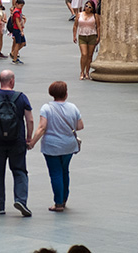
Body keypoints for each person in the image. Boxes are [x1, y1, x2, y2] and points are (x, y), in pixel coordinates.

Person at [0, 70, 33, 217]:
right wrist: (29, 138)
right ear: (12, 81)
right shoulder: (21, 98)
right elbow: (30, 120)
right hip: (17, 141)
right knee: (20, 171)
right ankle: (21, 200)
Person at [28, 81, 84, 212]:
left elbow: (42, 128)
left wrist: (32, 142)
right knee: (65, 171)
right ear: (66, 94)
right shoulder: (73, 107)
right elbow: (80, 126)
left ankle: (58, 203)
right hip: (68, 145)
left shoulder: (46, 108)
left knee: (55, 173)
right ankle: (64, 199)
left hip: (51, 146)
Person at [73, 0, 101, 80]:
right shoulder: (79, 15)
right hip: (82, 36)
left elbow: (98, 27)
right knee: (84, 54)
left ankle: (87, 72)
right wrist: (74, 35)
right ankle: (82, 71)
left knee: (89, 55)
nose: (87, 8)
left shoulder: (95, 16)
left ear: (92, 9)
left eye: (89, 7)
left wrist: (98, 37)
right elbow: (75, 26)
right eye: (86, 6)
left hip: (92, 36)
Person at [9, 0, 27, 65]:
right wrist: (21, 30)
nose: (22, 7)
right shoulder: (16, 12)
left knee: (23, 43)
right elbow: (17, 23)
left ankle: (14, 54)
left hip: (18, 29)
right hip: (16, 29)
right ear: (17, 4)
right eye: (21, 5)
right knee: (17, 43)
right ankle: (14, 57)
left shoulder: (19, 11)